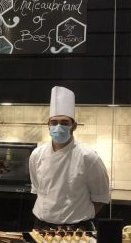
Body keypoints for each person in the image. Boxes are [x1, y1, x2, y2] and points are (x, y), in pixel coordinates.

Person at [29, 86, 111, 230]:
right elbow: (37, 190)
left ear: (74, 126)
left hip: (77, 229)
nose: (58, 127)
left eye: (64, 123)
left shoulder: (89, 157)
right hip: (41, 227)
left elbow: (101, 197)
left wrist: (80, 217)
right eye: (54, 122)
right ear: (48, 125)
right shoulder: (37, 155)